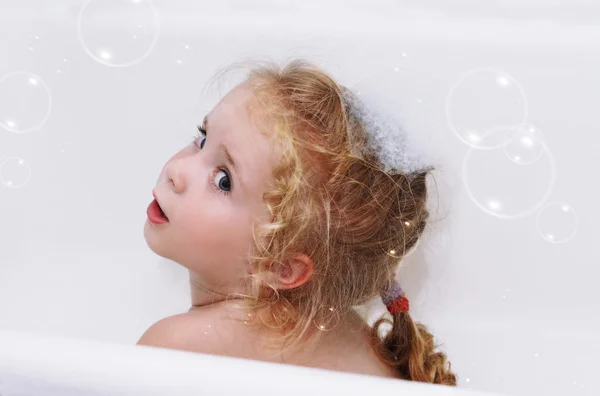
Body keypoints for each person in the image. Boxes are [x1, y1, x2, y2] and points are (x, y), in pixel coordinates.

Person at [138, 58, 456, 385]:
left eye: (223, 180)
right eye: (203, 139)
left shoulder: (177, 348)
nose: (177, 171)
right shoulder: (357, 343)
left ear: (282, 267)